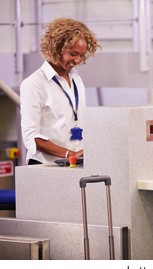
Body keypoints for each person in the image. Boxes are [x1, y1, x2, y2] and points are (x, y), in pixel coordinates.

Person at [20, 18, 101, 165]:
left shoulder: (77, 80)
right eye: (73, 54)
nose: (77, 60)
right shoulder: (34, 84)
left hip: (75, 162)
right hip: (46, 165)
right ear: (56, 48)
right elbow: (31, 136)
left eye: (82, 56)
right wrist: (70, 154)